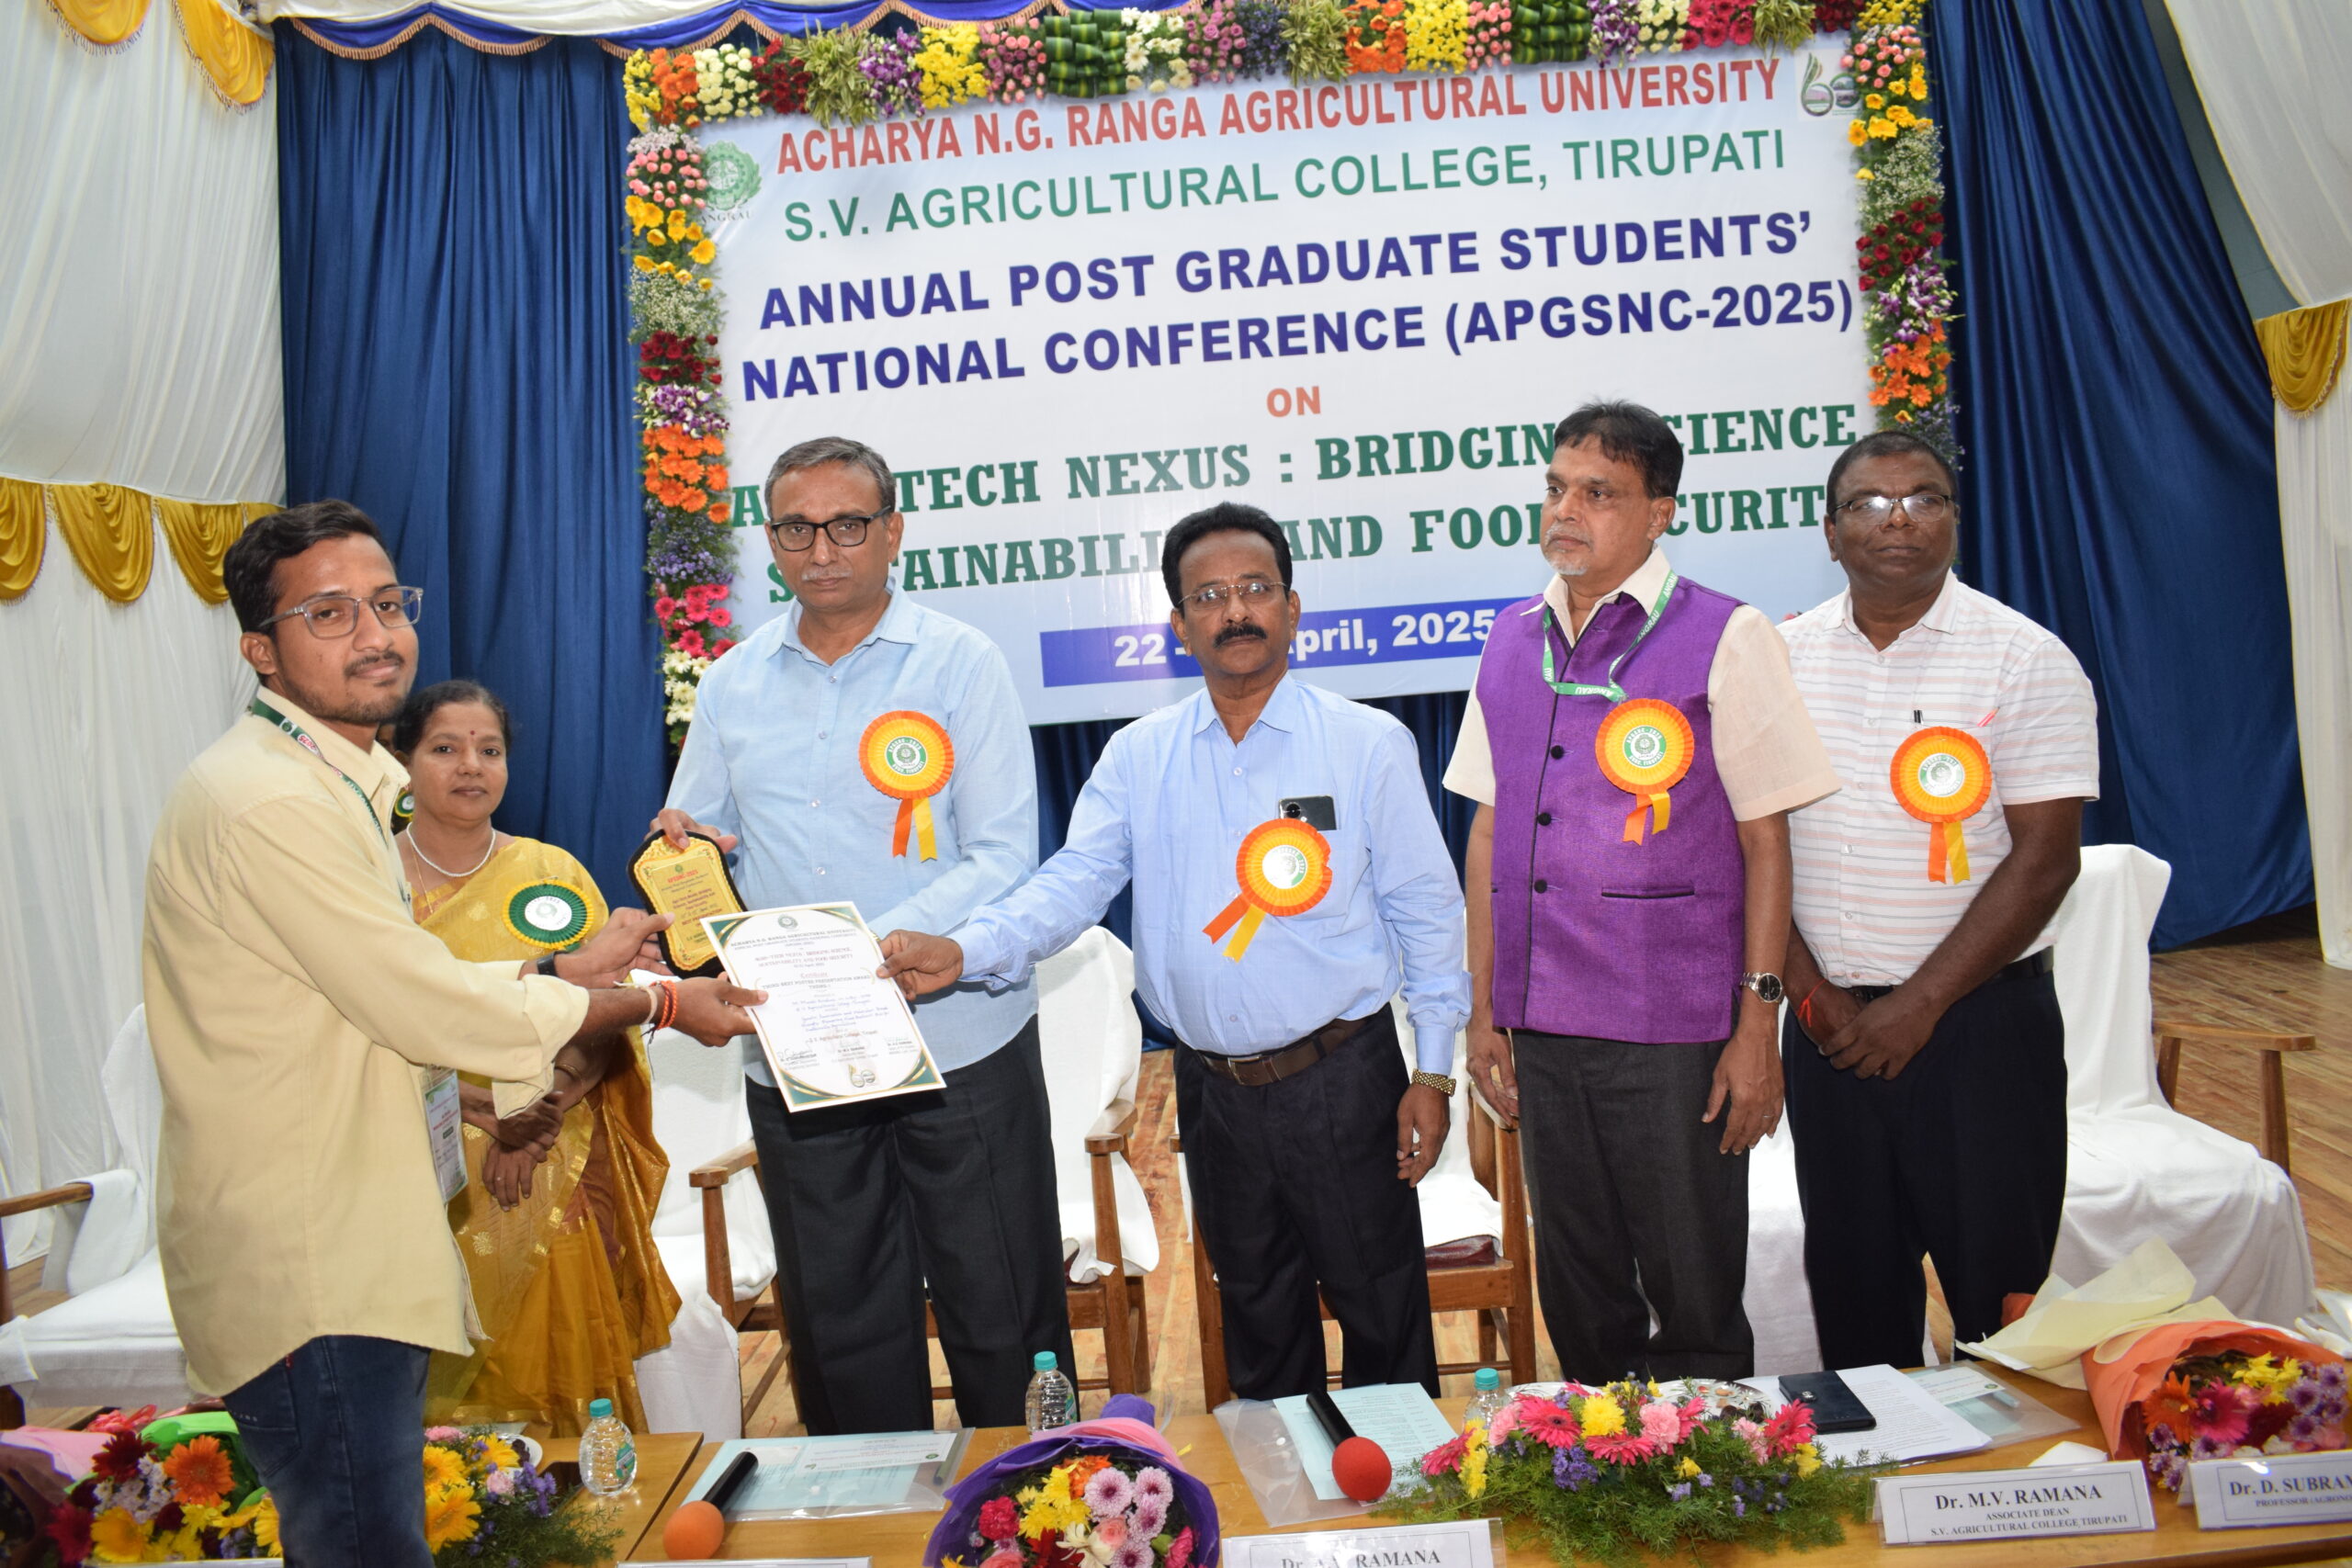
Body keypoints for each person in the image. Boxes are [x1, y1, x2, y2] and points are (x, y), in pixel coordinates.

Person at [143, 502, 759, 1567]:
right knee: (366, 1546)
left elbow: (390, 982)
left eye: (387, 604)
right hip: (313, 1265)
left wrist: (563, 971)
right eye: (328, 613)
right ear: (260, 650)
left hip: (351, 1240)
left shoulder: (335, 785)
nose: (374, 634)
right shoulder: (272, 805)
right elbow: (419, 1004)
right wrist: (656, 1002)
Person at [881, 501, 1470, 1401]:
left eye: (1255, 589)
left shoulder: (1368, 745)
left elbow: (1428, 915)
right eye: (1209, 596)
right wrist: (966, 949)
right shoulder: (1138, 756)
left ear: (1292, 608)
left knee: (1382, 1315)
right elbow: (1071, 884)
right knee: (1257, 1325)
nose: (1235, 611)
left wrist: (1431, 1073)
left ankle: (1401, 1491)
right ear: (1179, 626)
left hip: (1344, 1080)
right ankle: (1277, 1490)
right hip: (1213, 1092)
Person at [655, 435, 1071, 1435]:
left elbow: (1003, 853)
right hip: (802, 1056)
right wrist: (680, 862)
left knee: (1002, 1308)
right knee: (839, 1321)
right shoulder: (732, 683)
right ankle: (873, 1507)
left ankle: (1031, 1502)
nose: (822, 550)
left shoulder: (961, 662)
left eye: (847, 525)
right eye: (797, 529)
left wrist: (849, 949)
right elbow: (699, 843)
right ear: (771, 542)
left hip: (957, 1039)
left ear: (893, 532)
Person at [1444, 400, 1839, 1383]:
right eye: (1555, 488)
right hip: (1542, 1021)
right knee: (1581, 1295)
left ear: (1659, 513)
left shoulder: (1727, 633)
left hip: (1673, 1026)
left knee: (1693, 1293)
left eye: (1598, 493)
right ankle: (1601, 1465)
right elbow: (1488, 831)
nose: (1565, 510)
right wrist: (1483, 1009)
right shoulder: (1510, 636)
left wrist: (1758, 1026)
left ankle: (1709, 1472)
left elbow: (1766, 840)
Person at [1778, 430, 2097, 1368]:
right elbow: (1750, 852)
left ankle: (2021, 1464)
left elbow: (2046, 860)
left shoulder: (2025, 657)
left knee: (2005, 1315)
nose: (1898, 519)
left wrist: (1918, 1005)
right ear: (1829, 531)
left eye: (1924, 498)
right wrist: (1812, 996)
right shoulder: (1777, 660)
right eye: (1869, 503)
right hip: (1830, 1033)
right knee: (1857, 1315)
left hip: (1980, 1035)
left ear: (1956, 519)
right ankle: (1883, 1464)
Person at [392, 679, 683, 1436]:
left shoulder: (550, 872)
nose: (471, 765)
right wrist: (487, 1114)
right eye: (445, 748)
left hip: (553, 1148)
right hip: (414, 1152)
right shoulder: (371, 884)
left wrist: (535, 1113)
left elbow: (603, 1006)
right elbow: (379, 1016)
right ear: (403, 762)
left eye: (489, 750)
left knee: (555, 1244)